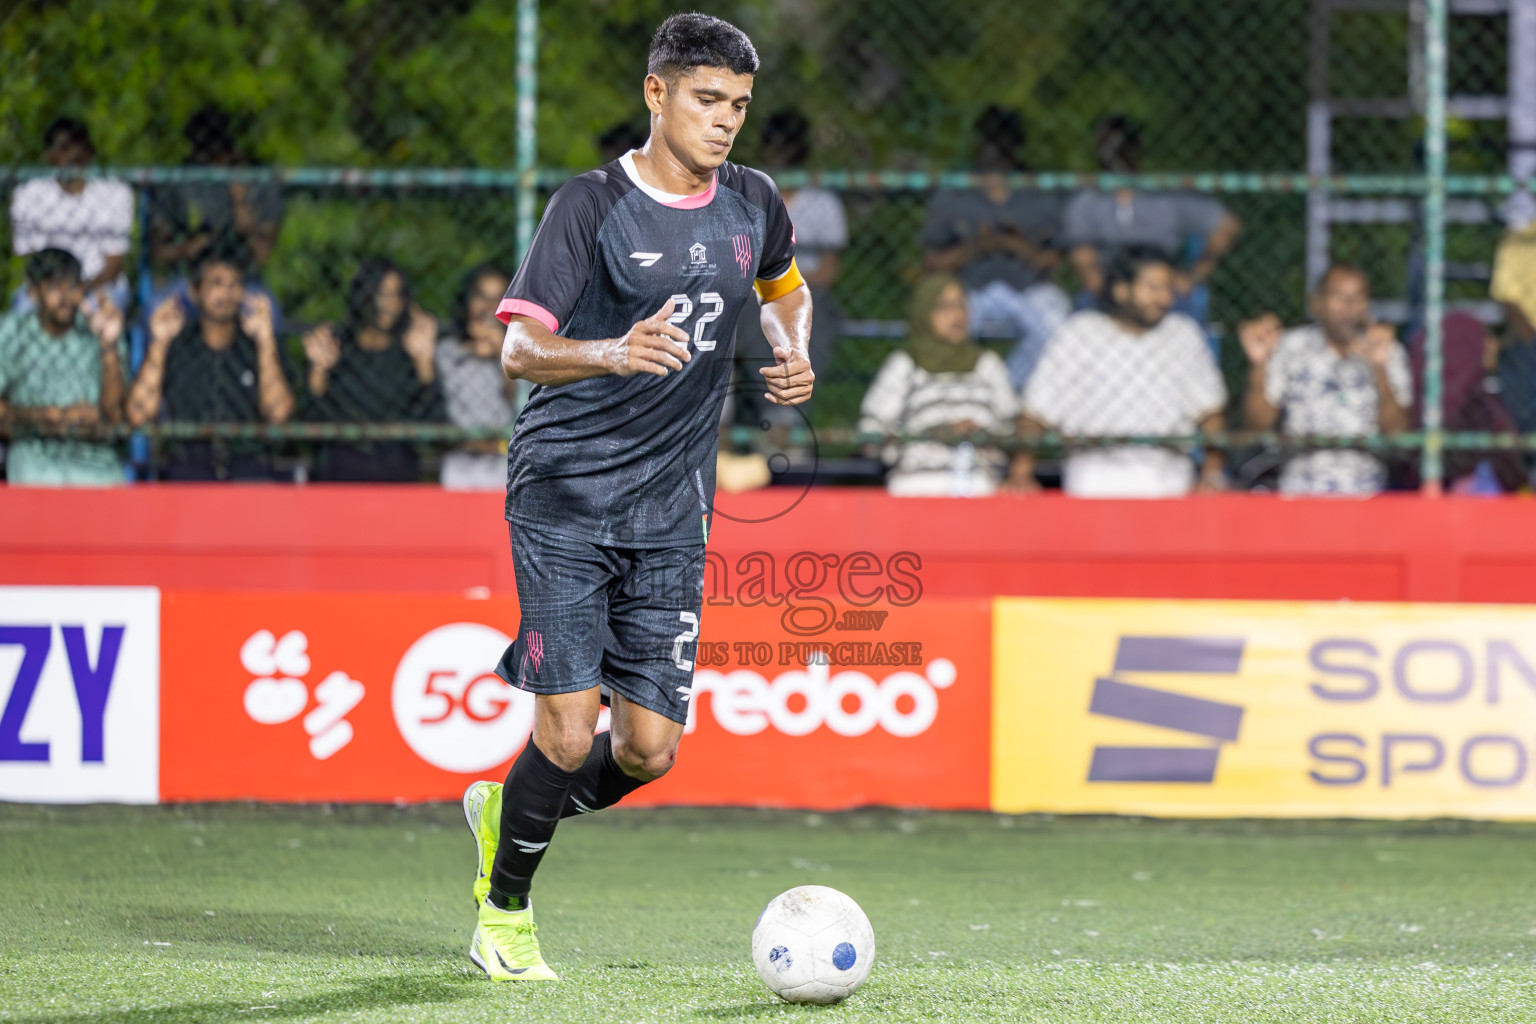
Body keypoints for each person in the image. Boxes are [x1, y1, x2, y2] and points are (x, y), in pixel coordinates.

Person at [458, 13, 812, 982]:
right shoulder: (589, 205)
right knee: (568, 735)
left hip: (671, 511)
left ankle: (507, 808)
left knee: (649, 751)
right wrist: (610, 350)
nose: (726, 121)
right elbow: (519, 348)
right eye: (707, 99)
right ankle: (505, 913)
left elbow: (784, 287)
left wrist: (793, 343)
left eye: (739, 105)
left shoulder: (752, 199)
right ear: (656, 94)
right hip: (566, 496)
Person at [1017, 247, 1228, 497]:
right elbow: (1036, 413)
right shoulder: (1079, 333)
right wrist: (1020, 475)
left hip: (1168, 483)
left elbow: (1210, 413)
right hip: (1092, 482)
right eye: (1153, 288)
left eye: (1167, 289)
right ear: (1121, 291)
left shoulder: (1183, 334)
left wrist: (1211, 474)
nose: (1165, 299)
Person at [922, 106, 1070, 391]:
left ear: (1018, 146)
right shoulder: (956, 191)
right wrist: (978, 246)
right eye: (989, 140)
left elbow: (1054, 261)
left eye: (1004, 141)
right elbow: (932, 263)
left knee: (1057, 321)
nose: (995, 150)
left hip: (1028, 288)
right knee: (945, 317)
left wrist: (1015, 245)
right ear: (977, 143)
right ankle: (965, 398)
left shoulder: (1038, 191)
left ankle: (1008, 393)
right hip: (970, 289)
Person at [126, 243, 296, 480]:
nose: (226, 294)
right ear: (195, 292)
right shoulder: (177, 345)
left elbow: (278, 413)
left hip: (248, 466)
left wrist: (266, 341)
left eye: (234, 284)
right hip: (188, 466)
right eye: (216, 283)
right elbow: (138, 413)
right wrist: (159, 343)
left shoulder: (258, 346)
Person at [1240, 265, 1411, 496]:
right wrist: (1260, 364)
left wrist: (1379, 367)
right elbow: (1257, 427)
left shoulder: (1389, 351)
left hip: (1367, 491)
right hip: (1301, 490)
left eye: (1358, 298)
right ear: (1316, 304)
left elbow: (1398, 431)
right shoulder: (1290, 348)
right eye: (1339, 298)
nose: (1349, 307)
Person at [1063, 116, 1241, 329]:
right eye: (1106, 146)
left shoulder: (1164, 196)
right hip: (1112, 287)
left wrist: (1194, 273)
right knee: (1083, 315)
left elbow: (1227, 224)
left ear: (1136, 151)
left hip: (1162, 285)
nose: (1114, 156)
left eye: (1121, 148)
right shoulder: (1087, 202)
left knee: (1184, 310)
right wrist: (1103, 285)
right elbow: (1083, 257)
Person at [858, 275, 1019, 495]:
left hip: (980, 480)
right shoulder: (905, 363)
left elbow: (1012, 425)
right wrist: (932, 435)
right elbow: (871, 429)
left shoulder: (987, 364)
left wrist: (985, 436)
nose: (957, 315)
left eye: (962, 305)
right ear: (925, 313)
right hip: (916, 480)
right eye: (945, 307)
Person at [302, 258, 444, 482]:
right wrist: (318, 371)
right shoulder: (339, 348)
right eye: (382, 293)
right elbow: (309, 420)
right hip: (339, 470)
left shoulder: (407, 354)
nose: (391, 304)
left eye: (396, 295)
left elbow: (435, 428)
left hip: (395, 472)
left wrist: (424, 362)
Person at [0, 249, 126, 485]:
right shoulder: (11, 332)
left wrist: (108, 347)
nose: (67, 297)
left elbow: (115, 415)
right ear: (34, 291)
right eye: (55, 287)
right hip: (34, 456)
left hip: (95, 460)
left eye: (73, 287)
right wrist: (47, 417)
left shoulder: (97, 328)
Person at [9, 117, 134, 313]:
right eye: (64, 148)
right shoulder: (29, 195)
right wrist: (56, 289)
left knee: (104, 312)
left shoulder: (115, 193)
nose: (73, 155)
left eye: (79, 147)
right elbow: (31, 258)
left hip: (99, 286)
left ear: (90, 151)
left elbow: (114, 262)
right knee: (23, 309)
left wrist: (80, 290)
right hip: (47, 285)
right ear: (48, 156)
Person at [1410, 312, 1525, 493]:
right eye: (1485, 337)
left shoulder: (1422, 407)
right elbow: (1513, 472)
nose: (1494, 345)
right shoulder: (1482, 409)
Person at [436, 263, 517, 490]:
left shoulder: (520, 352)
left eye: (496, 299)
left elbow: (519, 403)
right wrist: (470, 351)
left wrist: (503, 353)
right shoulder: (447, 350)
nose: (488, 308)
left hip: (502, 459)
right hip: (458, 458)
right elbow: (437, 401)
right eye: (481, 297)